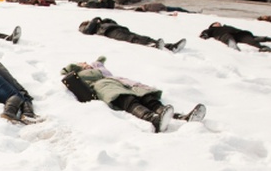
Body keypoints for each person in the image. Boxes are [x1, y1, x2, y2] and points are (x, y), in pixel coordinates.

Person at [61, 57, 206, 133]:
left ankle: (180, 117)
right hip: (105, 87)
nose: (86, 63)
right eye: (82, 63)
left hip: (121, 83)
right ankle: (154, 120)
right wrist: (79, 67)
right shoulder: (79, 74)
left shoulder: (100, 71)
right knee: (128, 100)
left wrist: (96, 63)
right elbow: (69, 75)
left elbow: (102, 66)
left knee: (146, 97)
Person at [78, 17, 187, 52]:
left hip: (117, 28)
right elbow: (87, 31)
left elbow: (113, 22)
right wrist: (95, 19)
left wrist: (104, 19)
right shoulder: (85, 27)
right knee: (131, 39)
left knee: (141, 37)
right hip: (109, 32)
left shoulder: (103, 22)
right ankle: (153, 46)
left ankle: (169, 46)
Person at [199, 22, 271, 52]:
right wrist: (204, 35)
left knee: (250, 39)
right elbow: (205, 33)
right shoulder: (211, 29)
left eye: (219, 23)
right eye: (216, 23)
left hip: (238, 33)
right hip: (223, 34)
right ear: (212, 25)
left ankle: (263, 46)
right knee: (229, 40)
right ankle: (235, 49)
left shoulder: (226, 26)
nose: (218, 23)